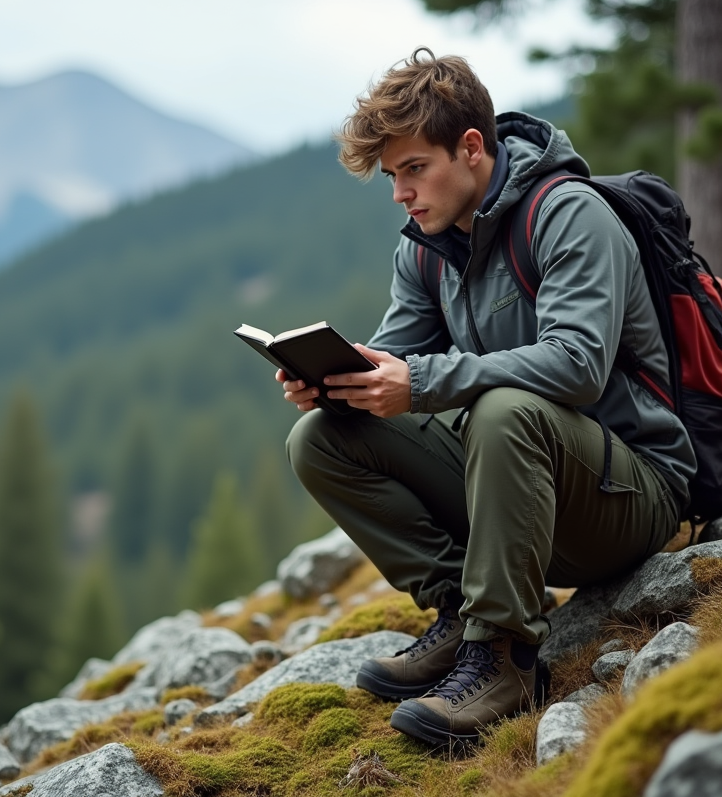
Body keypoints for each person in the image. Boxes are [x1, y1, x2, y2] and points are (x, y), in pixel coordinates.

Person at [279, 48, 695, 749]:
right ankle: (462, 613)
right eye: (391, 177)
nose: (401, 194)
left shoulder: (567, 214)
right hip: (522, 503)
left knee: (506, 407)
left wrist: (423, 382)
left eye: (415, 169)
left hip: (630, 497)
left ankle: (503, 659)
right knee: (320, 438)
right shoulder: (425, 249)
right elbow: (396, 359)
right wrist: (337, 382)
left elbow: (577, 366)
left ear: (472, 148)